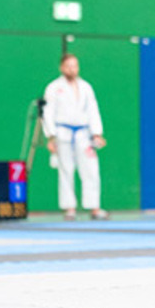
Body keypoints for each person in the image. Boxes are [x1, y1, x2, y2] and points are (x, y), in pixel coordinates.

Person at [42, 54, 108, 221]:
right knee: (66, 171)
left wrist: (97, 133)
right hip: (63, 133)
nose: (72, 69)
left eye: (75, 66)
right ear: (62, 68)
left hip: (83, 134)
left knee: (91, 170)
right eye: (69, 66)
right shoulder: (53, 88)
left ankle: (94, 207)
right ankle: (69, 208)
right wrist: (50, 136)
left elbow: (93, 111)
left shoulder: (86, 87)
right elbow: (47, 113)